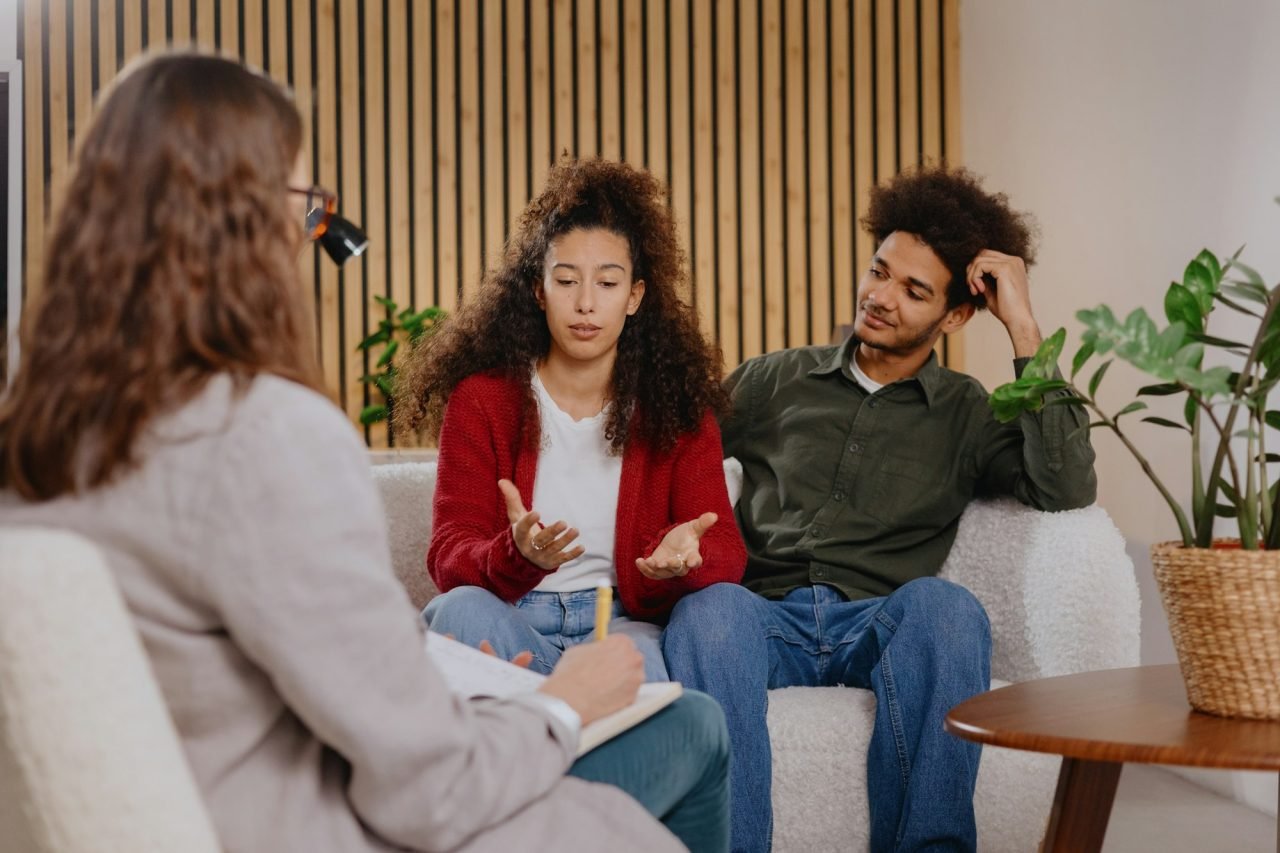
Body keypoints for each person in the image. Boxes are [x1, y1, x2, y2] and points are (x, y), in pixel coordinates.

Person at [0, 52, 730, 853]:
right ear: (250, 221)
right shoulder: (269, 435)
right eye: (306, 204)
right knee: (689, 736)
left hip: (218, 807)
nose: (312, 232)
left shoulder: (35, 441)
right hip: (342, 826)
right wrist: (559, 703)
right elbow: (430, 787)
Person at [662, 166, 1098, 853]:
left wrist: (1022, 325)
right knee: (708, 611)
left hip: (879, 618)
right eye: (879, 271)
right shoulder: (774, 379)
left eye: (913, 289)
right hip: (763, 611)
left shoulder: (969, 413)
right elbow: (671, 455)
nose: (880, 296)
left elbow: (1066, 483)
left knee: (950, 610)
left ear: (954, 315)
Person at [396, 158, 747, 682]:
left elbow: (726, 553)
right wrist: (514, 554)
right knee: (458, 613)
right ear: (539, 290)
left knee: (640, 670)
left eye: (607, 284)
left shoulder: (678, 409)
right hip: (513, 616)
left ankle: (553, 709)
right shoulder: (483, 401)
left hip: (623, 625)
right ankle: (579, 709)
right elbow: (449, 555)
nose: (585, 304)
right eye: (566, 280)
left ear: (634, 297)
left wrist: (685, 558)